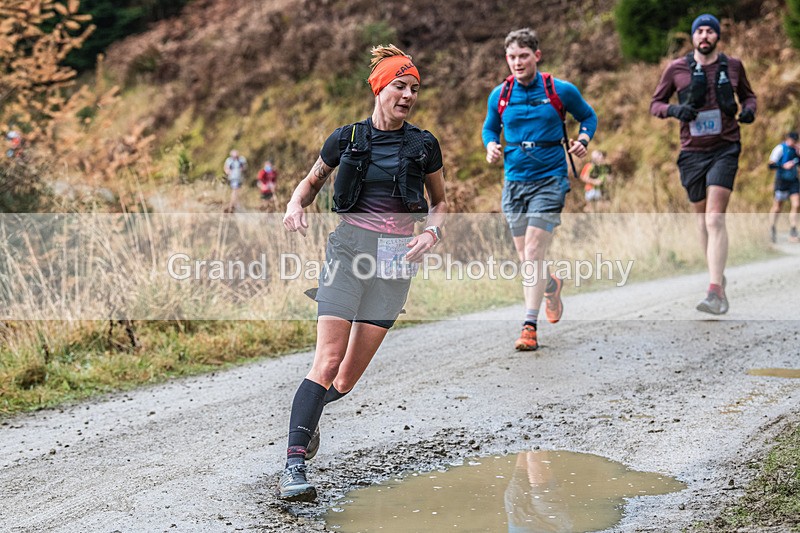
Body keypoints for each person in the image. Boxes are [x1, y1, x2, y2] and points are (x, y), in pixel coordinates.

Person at [278, 44, 447, 502]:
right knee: (327, 361)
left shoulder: (423, 144)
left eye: (414, 88)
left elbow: (441, 205)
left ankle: (308, 417)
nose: (408, 94)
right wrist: (295, 205)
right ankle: (294, 462)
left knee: (345, 379)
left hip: (396, 259)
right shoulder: (347, 139)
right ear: (379, 87)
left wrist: (431, 235)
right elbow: (311, 182)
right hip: (348, 251)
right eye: (400, 85)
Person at [482, 28, 597, 351]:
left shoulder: (560, 90)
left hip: (550, 179)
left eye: (523, 56)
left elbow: (588, 116)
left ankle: (529, 326)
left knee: (533, 252)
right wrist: (491, 144)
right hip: (514, 181)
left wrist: (583, 140)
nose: (517, 62)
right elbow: (490, 126)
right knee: (526, 257)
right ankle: (550, 285)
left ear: (537, 55)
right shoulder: (501, 95)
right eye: (511, 57)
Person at [650, 13, 757, 315]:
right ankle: (717, 275)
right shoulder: (677, 69)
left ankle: (714, 293)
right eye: (700, 31)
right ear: (693, 37)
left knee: (714, 219)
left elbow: (749, 97)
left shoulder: (733, 66)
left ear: (717, 37)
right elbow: (654, 104)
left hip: (725, 147)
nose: (705, 36)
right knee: (701, 221)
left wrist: (749, 111)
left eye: (711, 31)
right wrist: (674, 110)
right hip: (692, 153)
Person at [768, 131, 800, 243]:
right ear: (788, 139)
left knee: (796, 204)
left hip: (793, 181)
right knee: (777, 207)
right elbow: (771, 165)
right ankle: (772, 227)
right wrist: (783, 166)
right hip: (781, 181)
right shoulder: (780, 149)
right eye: (792, 141)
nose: (793, 143)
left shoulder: (796, 150)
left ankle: (793, 231)